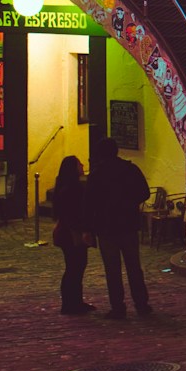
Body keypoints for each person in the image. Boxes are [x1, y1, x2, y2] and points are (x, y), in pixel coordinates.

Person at [86, 136, 152, 319]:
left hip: (106, 227)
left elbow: (89, 203)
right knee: (134, 267)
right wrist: (129, 203)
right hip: (128, 224)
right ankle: (141, 304)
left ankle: (118, 307)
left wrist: (90, 227)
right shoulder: (130, 169)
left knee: (112, 270)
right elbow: (144, 192)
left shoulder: (97, 175)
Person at [49, 156, 94, 316]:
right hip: (71, 234)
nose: (82, 165)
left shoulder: (65, 186)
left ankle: (74, 301)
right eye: (79, 164)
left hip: (67, 232)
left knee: (74, 267)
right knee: (75, 267)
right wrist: (81, 232)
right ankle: (70, 303)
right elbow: (73, 214)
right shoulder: (73, 188)